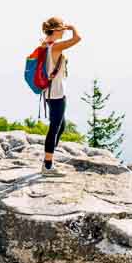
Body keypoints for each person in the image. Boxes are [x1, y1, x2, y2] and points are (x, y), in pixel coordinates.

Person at [38, 16, 80, 176]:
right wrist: (72, 27)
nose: (64, 30)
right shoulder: (55, 46)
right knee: (55, 127)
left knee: (60, 125)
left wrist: (63, 27)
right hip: (56, 92)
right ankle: (47, 166)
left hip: (49, 91)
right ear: (56, 29)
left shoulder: (45, 43)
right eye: (61, 28)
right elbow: (78, 38)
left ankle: (49, 158)